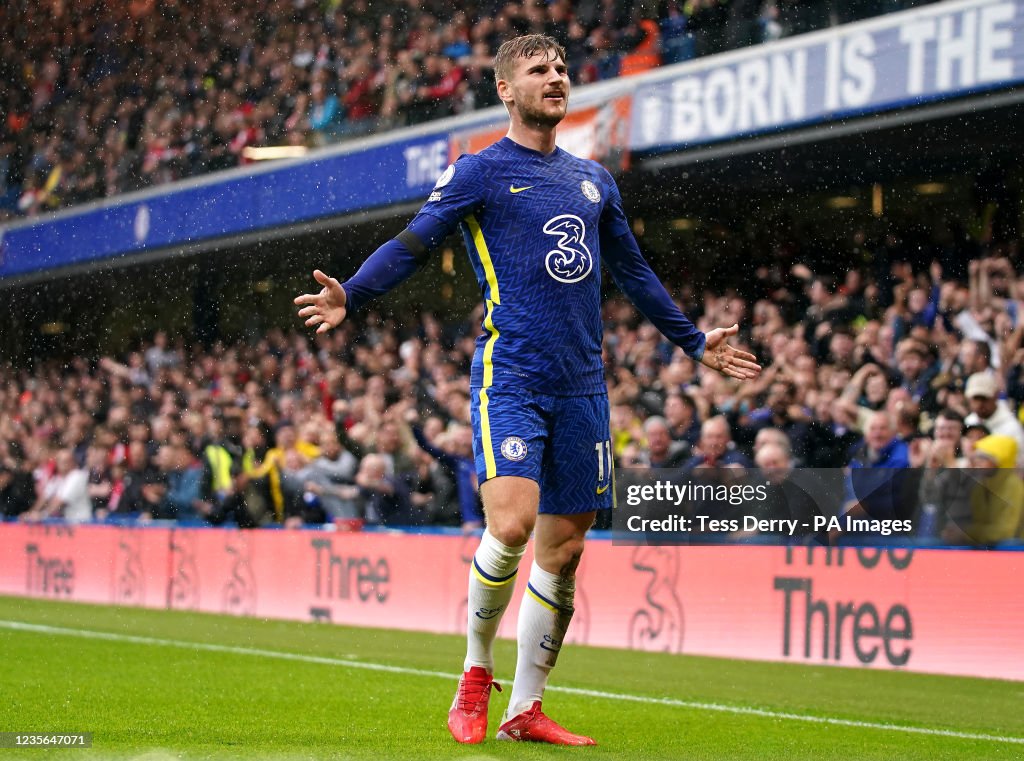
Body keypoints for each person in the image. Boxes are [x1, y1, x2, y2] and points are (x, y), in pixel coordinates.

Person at [295, 34, 760, 746]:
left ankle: (527, 707)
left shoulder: (595, 180)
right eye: (538, 70)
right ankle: (476, 671)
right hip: (510, 375)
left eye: (562, 69)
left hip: (583, 388)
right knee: (510, 525)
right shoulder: (480, 172)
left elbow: (633, 273)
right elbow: (415, 242)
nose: (556, 78)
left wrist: (695, 341)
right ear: (506, 90)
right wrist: (351, 295)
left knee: (565, 553)